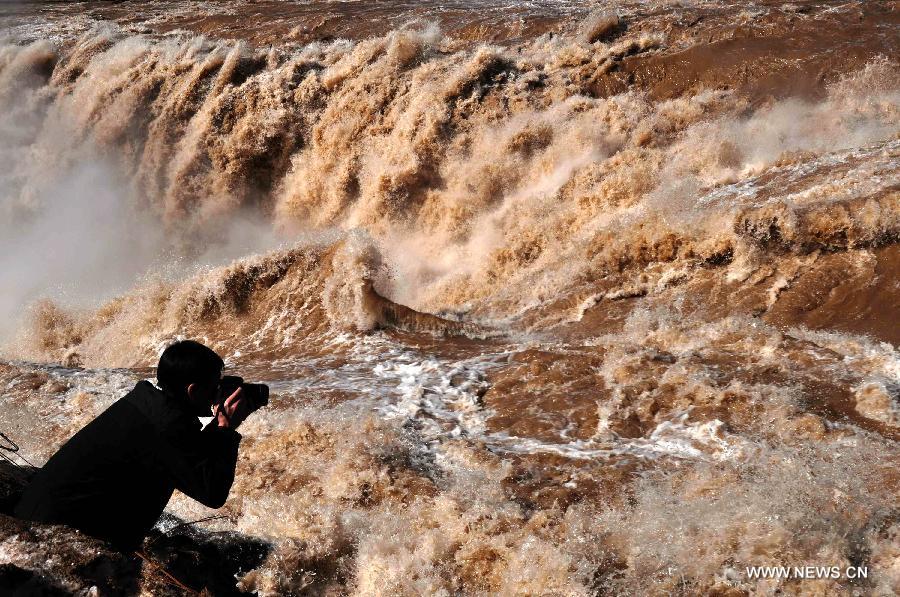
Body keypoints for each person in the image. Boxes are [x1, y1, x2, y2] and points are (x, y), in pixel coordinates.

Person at [15, 340, 256, 551]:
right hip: (57, 536)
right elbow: (213, 493)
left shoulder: (146, 404)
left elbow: (185, 451)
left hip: (36, 517)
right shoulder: (167, 427)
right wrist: (225, 431)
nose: (217, 396)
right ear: (192, 391)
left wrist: (216, 426)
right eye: (214, 388)